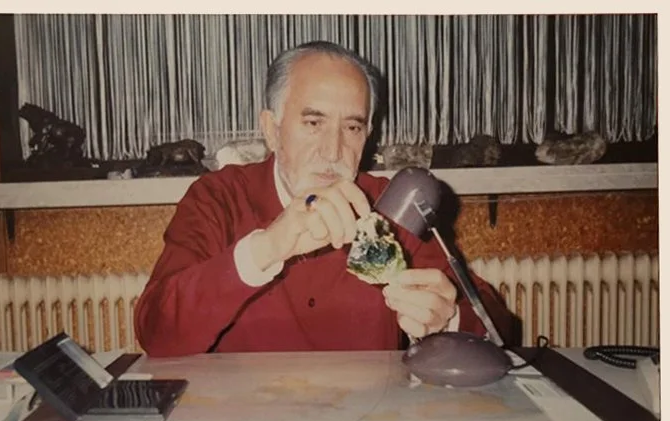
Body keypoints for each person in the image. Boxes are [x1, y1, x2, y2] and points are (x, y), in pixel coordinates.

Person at [134, 40, 513, 357]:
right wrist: (266, 248)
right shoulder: (218, 198)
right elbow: (155, 334)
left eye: (352, 127)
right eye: (314, 123)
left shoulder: (390, 206)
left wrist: (450, 318)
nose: (333, 150)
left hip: (367, 416)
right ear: (272, 129)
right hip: (248, 417)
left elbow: (501, 328)